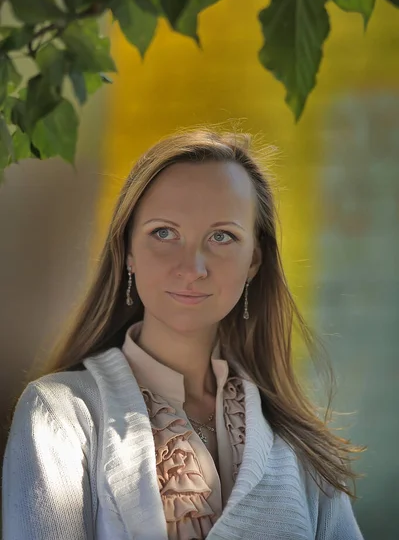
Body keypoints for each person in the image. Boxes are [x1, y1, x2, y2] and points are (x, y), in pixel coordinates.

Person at [2, 129, 365, 540]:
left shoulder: (298, 445)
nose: (192, 267)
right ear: (128, 251)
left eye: (221, 236)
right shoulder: (61, 415)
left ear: (254, 261)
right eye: (163, 233)